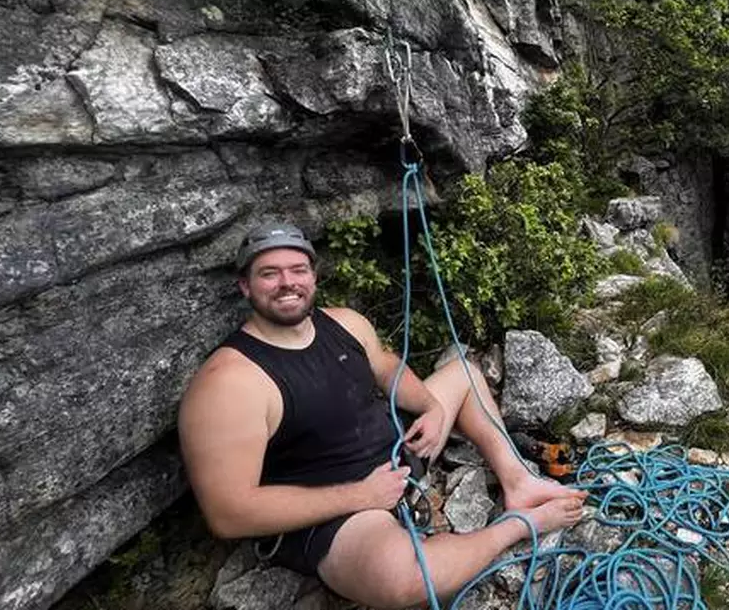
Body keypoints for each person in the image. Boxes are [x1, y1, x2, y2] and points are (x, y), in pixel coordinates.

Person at [178, 222, 586, 608]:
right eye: (270, 274)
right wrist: (362, 496)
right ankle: (518, 525)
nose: (288, 283)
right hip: (339, 511)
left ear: (313, 278)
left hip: (396, 454)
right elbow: (228, 512)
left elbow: (386, 366)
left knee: (465, 373)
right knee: (404, 578)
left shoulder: (344, 323)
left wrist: (429, 407)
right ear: (245, 287)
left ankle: (517, 481)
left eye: (298, 269)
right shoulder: (229, 382)